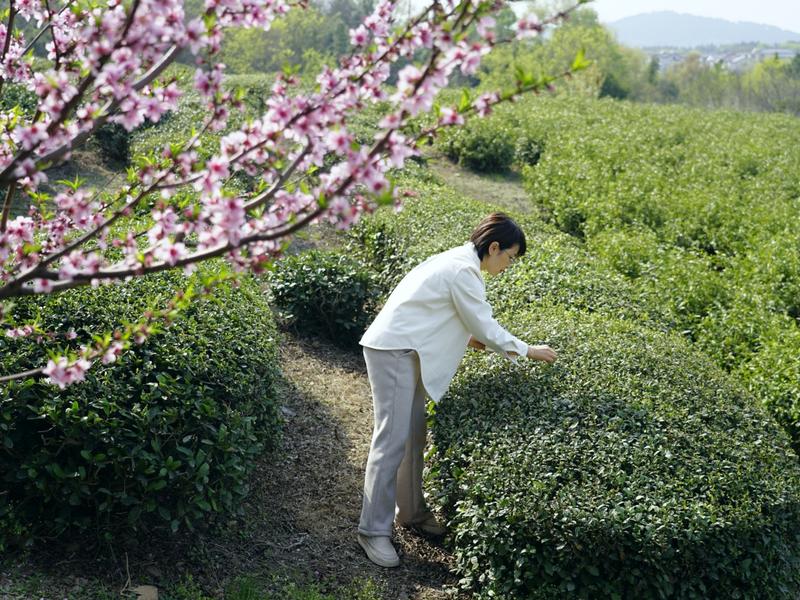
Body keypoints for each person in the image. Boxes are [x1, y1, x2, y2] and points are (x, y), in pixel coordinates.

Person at [356, 212, 557, 568]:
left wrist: (465, 336)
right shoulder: (464, 270)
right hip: (395, 350)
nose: (508, 266)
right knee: (390, 440)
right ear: (493, 248)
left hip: (407, 348)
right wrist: (529, 350)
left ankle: (412, 512)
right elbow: (484, 322)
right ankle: (372, 531)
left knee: (414, 436)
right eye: (510, 257)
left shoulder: (458, 261)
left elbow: (437, 307)